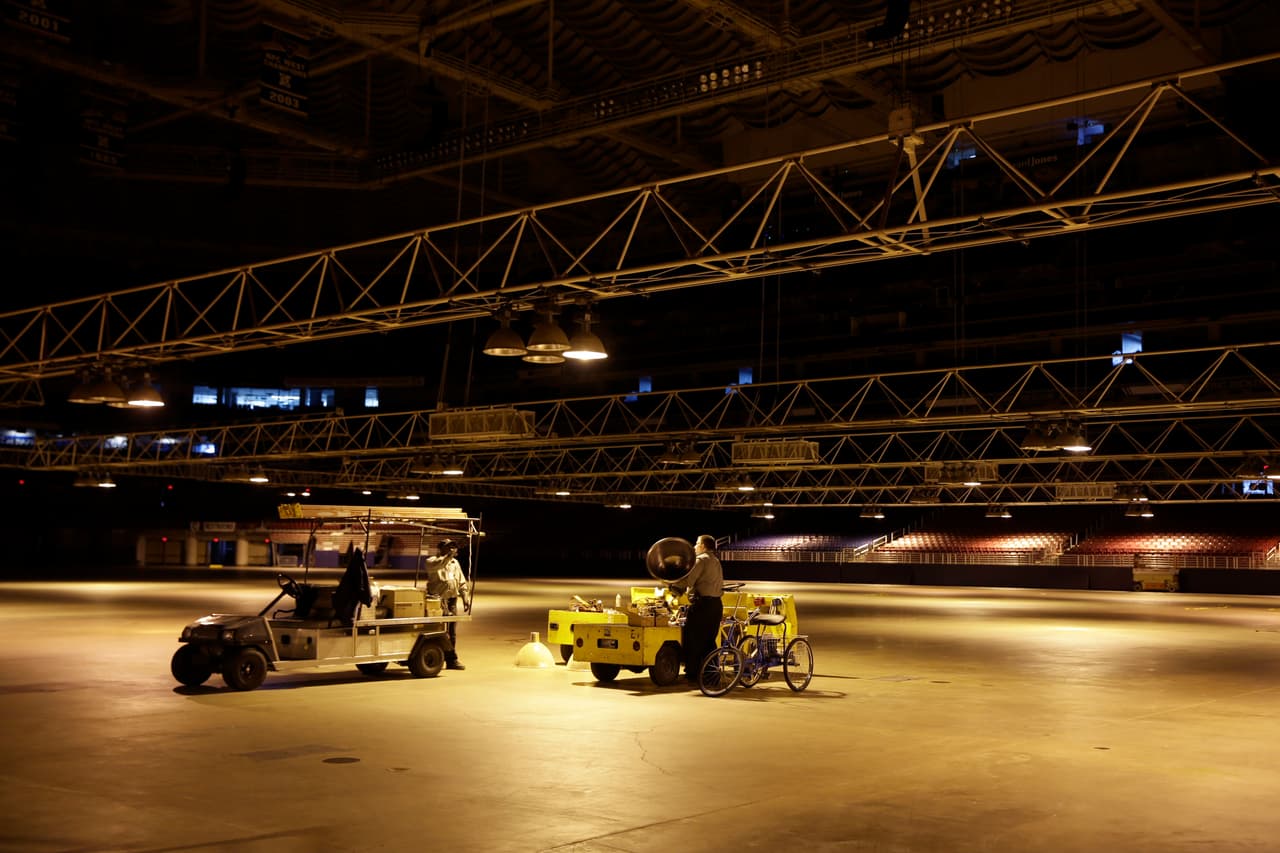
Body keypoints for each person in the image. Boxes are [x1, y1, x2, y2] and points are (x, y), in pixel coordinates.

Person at [678, 534, 724, 683]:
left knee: (693, 638)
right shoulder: (715, 561)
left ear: (703, 546)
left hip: (703, 606)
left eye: (697, 543)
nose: (694, 546)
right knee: (709, 640)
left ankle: (692, 673)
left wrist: (672, 584)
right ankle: (711, 674)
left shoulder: (701, 559)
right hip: (716, 605)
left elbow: (689, 581)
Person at [425, 538, 469, 670]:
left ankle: (451, 660)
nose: (452, 549)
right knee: (438, 630)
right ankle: (436, 656)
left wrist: (465, 597)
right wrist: (447, 557)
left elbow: (461, 582)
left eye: (454, 547)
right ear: (441, 548)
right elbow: (439, 565)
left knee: (451, 631)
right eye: (449, 547)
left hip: (452, 601)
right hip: (437, 601)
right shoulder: (431, 561)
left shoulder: (455, 563)